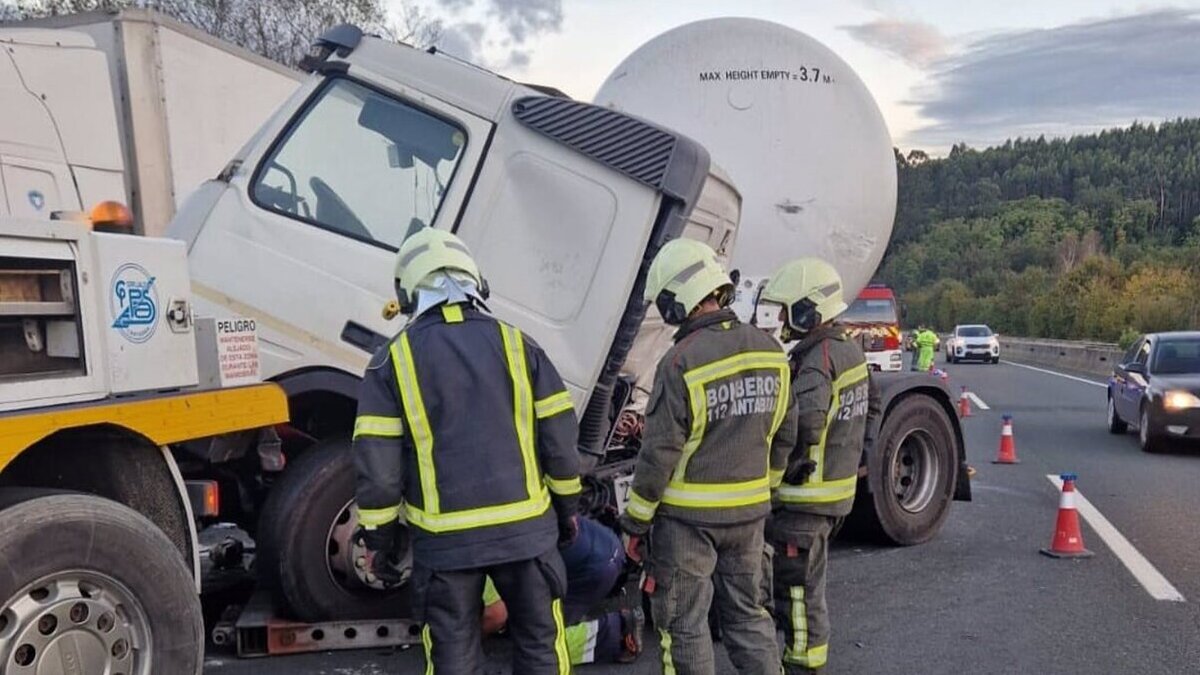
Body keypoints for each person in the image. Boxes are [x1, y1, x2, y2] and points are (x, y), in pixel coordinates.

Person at [351, 227, 581, 674]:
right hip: (527, 534)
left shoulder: (390, 361)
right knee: (540, 648)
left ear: (408, 290)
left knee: (453, 655)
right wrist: (567, 507)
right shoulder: (520, 344)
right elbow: (560, 443)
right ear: (477, 280)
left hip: (446, 546)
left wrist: (380, 541)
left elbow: (379, 474)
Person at [617, 239, 799, 675]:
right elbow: (785, 433)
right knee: (749, 616)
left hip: (688, 523)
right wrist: (766, 489)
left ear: (680, 296)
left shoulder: (680, 360)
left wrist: (637, 523)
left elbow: (659, 453)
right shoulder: (771, 351)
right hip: (750, 516)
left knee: (685, 625)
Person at [755, 258, 880, 674]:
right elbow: (872, 407)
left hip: (804, 501)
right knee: (807, 589)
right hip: (833, 496)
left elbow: (806, 422)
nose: (784, 321)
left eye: (789, 311)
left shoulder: (818, 358)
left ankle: (802, 667)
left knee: (797, 596)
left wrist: (777, 470)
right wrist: (853, 455)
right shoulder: (849, 349)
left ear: (810, 310)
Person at [482, 518, 645, 665]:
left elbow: (496, 615)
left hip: (590, 567)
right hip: (599, 541)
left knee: (538, 641)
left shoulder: (480, 548)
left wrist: (468, 639)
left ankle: (618, 632)